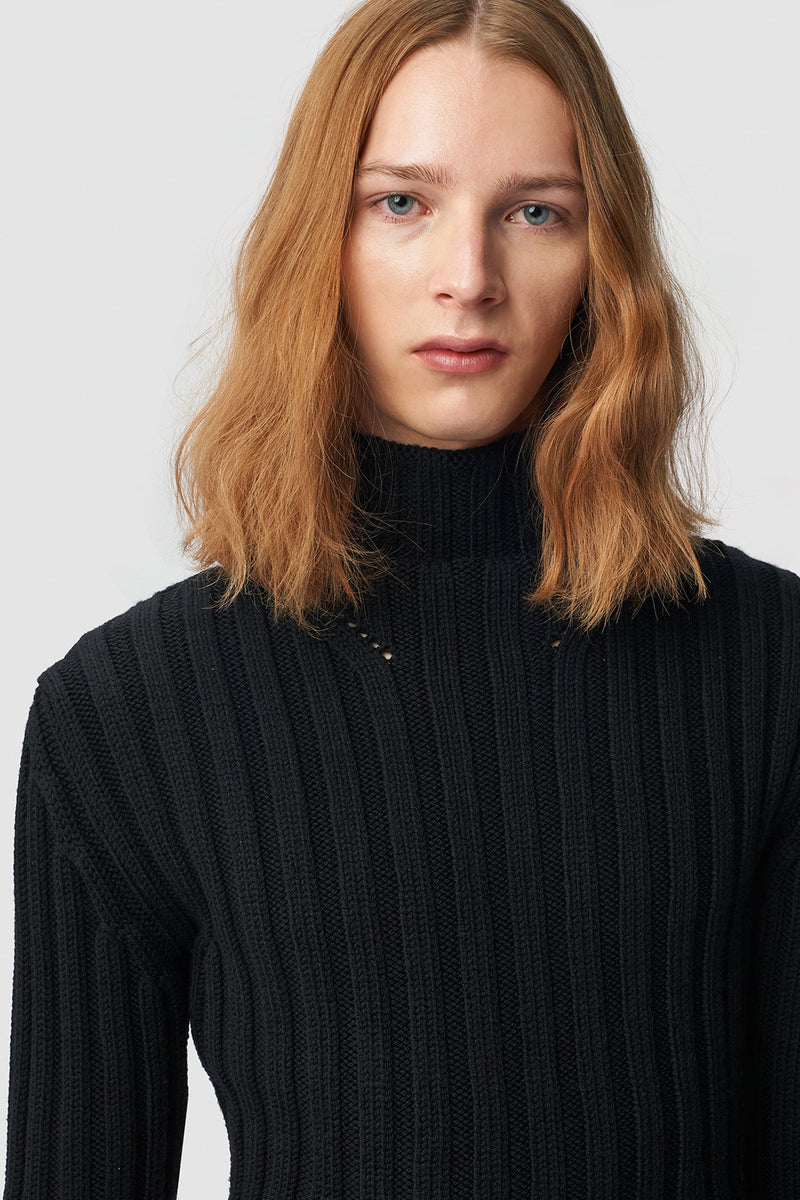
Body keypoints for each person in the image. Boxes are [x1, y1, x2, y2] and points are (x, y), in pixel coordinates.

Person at [4, 0, 799, 1195]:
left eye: (535, 212)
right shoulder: (125, 715)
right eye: (401, 204)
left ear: (604, 259)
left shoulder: (768, 666)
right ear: (316, 241)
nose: (467, 279)